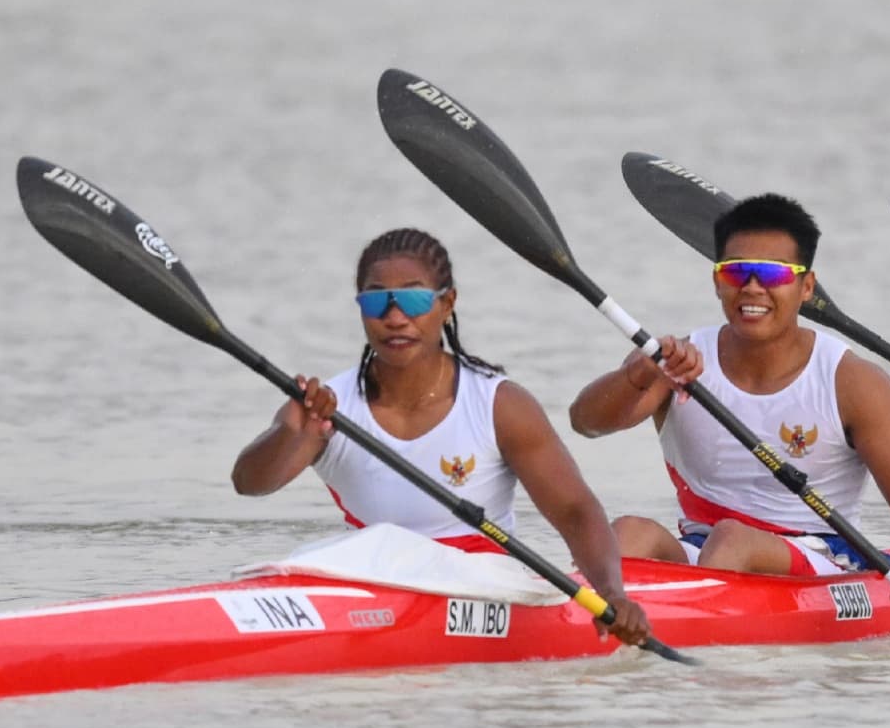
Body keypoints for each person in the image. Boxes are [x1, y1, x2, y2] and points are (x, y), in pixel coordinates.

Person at [231, 226, 651, 645]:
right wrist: (291, 433)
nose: (395, 318)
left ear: (447, 303)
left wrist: (612, 595)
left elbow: (575, 512)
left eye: (413, 299)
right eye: (377, 300)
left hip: (479, 587)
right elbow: (249, 485)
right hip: (373, 579)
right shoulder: (328, 405)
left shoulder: (499, 405)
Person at [564, 193, 890, 623]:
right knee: (628, 532)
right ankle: (577, 625)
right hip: (703, 546)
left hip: (821, 557)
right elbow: (585, 423)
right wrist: (637, 372)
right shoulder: (676, 360)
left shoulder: (851, 381)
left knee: (734, 540)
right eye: (735, 273)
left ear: (807, 287)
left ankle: (690, 644)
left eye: (771, 274)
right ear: (716, 282)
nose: (751, 287)